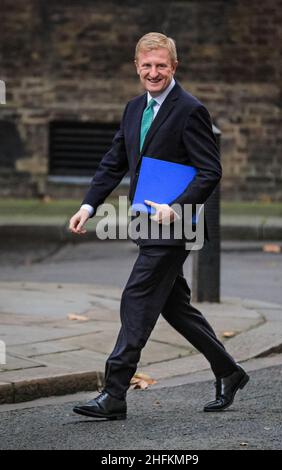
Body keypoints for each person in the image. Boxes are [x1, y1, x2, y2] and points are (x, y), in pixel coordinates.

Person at [69, 32, 249, 420]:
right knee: (174, 307)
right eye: (147, 66)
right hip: (146, 223)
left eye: (161, 66)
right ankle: (229, 371)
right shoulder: (134, 108)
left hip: (174, 226)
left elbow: (210, 171)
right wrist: (88, 205)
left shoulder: (190, 110)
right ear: (137, 66)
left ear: (174, 66)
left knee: (136, 298)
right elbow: (114, 160)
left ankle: (114, 392)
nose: (154, 73)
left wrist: (176, 207)